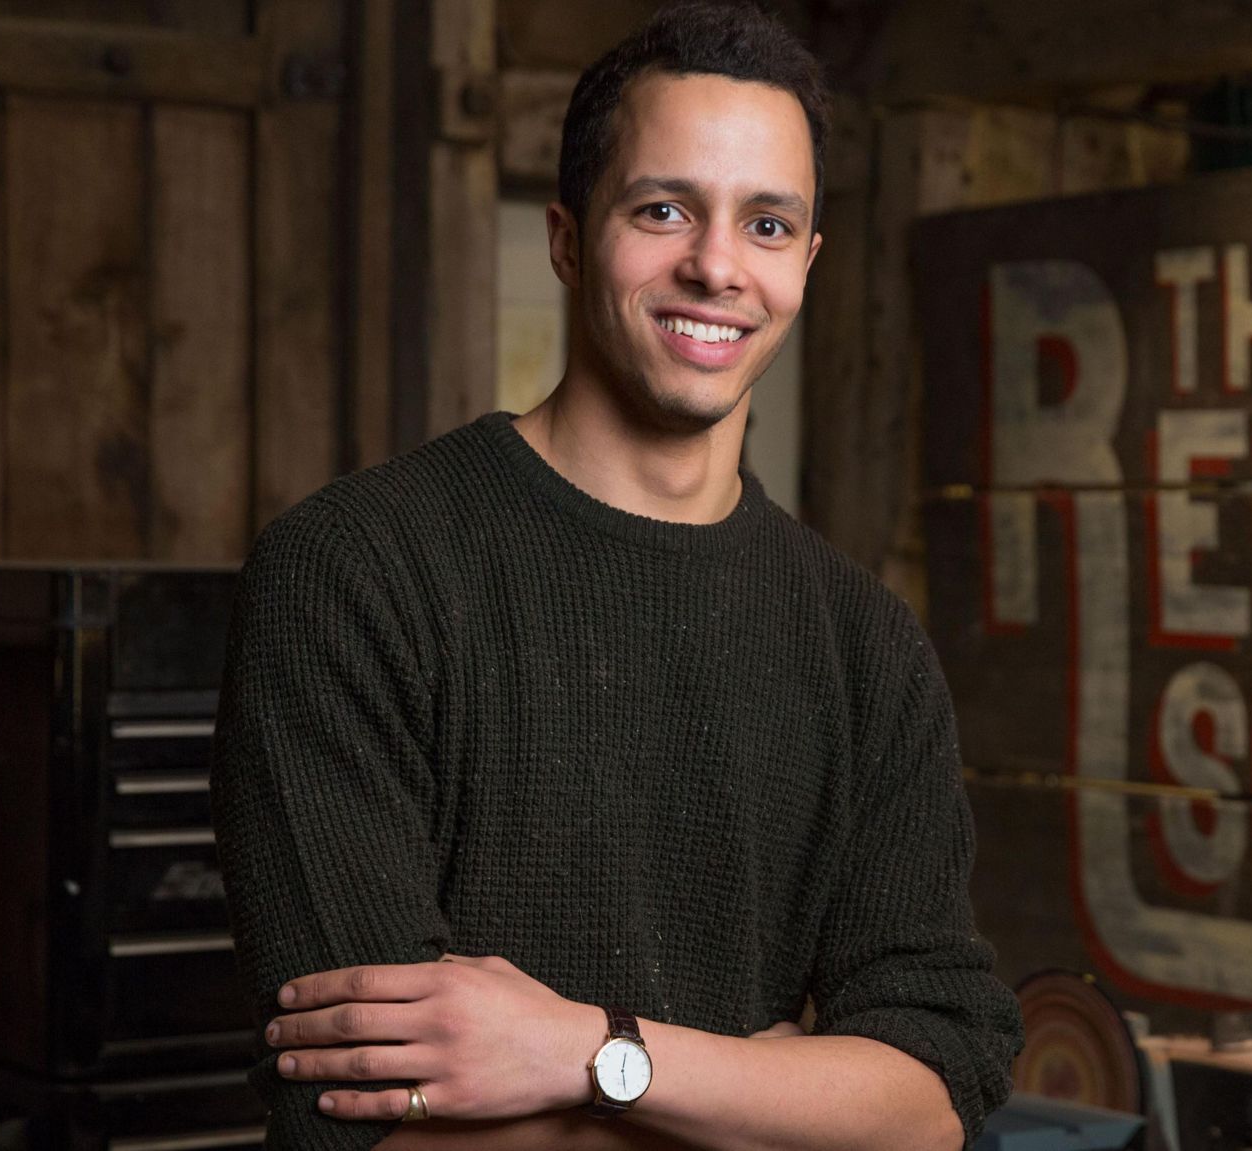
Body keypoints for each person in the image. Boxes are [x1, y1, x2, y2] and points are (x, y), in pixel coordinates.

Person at [208, 2, 1022, 1148]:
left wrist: (583, 1052)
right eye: (662, 209)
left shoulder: (864, 644)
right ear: (566, 237)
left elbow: (933, 1095)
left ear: (807, 262)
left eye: (768, 225)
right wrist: (773, 1089)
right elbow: (364, 1120)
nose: (716, 266)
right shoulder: (355, 572)